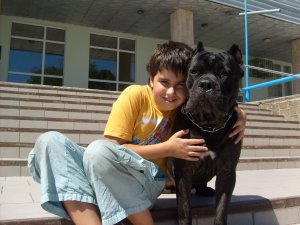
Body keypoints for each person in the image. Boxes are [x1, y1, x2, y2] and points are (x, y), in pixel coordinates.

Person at [28, 41, 246, 225]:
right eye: (164, 82)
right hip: (104, 171)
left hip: (140, 184)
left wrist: (239, 114)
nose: (171, 92)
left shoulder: (185, 108)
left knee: (97, 151)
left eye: (180, 85)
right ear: (150, 79)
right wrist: (168, 148)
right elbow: (112, 150)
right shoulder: (135, 95)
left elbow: (220, 101)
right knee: (50, 141)